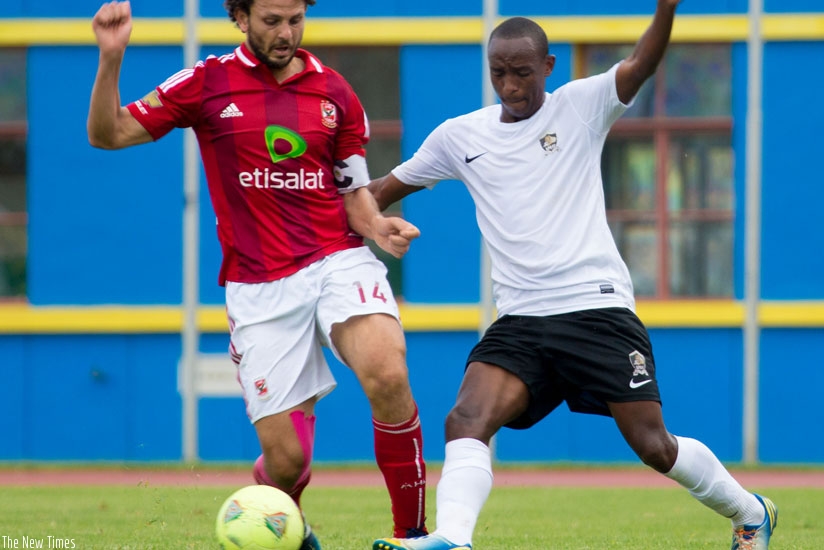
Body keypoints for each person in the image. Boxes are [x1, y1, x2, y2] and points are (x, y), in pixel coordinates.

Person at [369, 2, 778, 550]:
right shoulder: (458, 137)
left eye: (522, 72)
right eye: (498, 72)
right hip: (520, 320)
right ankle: (454, 540)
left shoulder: (580, 107)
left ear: (549, 66)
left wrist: (666, 9)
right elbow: (379, 192)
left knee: (654, 445)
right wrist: (357, 219)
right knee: (466, 419)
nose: (510, 85)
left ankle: (750, 512)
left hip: (596, 308)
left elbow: (641, 64)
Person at [86, 0, 430, 547]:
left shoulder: (335, 93)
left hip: (336, 258)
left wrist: (378, 227)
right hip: (259, 287)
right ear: (240, 18)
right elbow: (109, 134)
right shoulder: (206, 82)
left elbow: (354, 195)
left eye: (295, 19)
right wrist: (111, 58)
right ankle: (287, 528)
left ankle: (412, 536)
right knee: (288, 462)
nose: (286, 33)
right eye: (272, 21)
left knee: (388, 373)